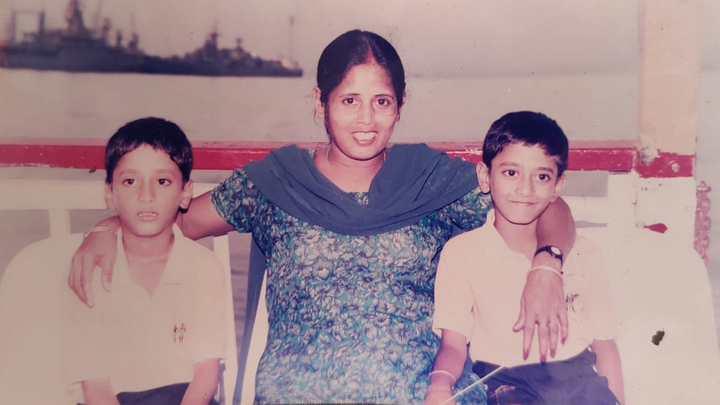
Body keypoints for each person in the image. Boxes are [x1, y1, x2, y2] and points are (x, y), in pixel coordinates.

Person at [68, 31, 575, 404]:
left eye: (381, 102)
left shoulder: (431, 180)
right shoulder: (275, 182)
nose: (365, 119)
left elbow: (549, 206)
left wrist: (546, 265)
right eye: (349, 100)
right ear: (320, 101)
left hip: (424, 392)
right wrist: (104, 229)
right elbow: (173, 220)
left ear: (400, 105)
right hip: (300, 392)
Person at [425, 111, 624, 405]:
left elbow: (605, 345)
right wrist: (439, 385)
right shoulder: (462, 253)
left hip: (580, 380)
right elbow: (453, 343)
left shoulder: (584, 252)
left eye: (541, 176)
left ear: (557, 186)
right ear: (485, 177)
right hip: (508, 383)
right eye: (511, 173)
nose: (525, 189)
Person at [61, 118, 227, 405]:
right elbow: (96, 387)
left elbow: (205, 375)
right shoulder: (88, 271)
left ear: (185, 193)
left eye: (162, 182)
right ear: (109, 193)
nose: (146, 196)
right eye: (130, 181)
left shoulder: (204, 267)